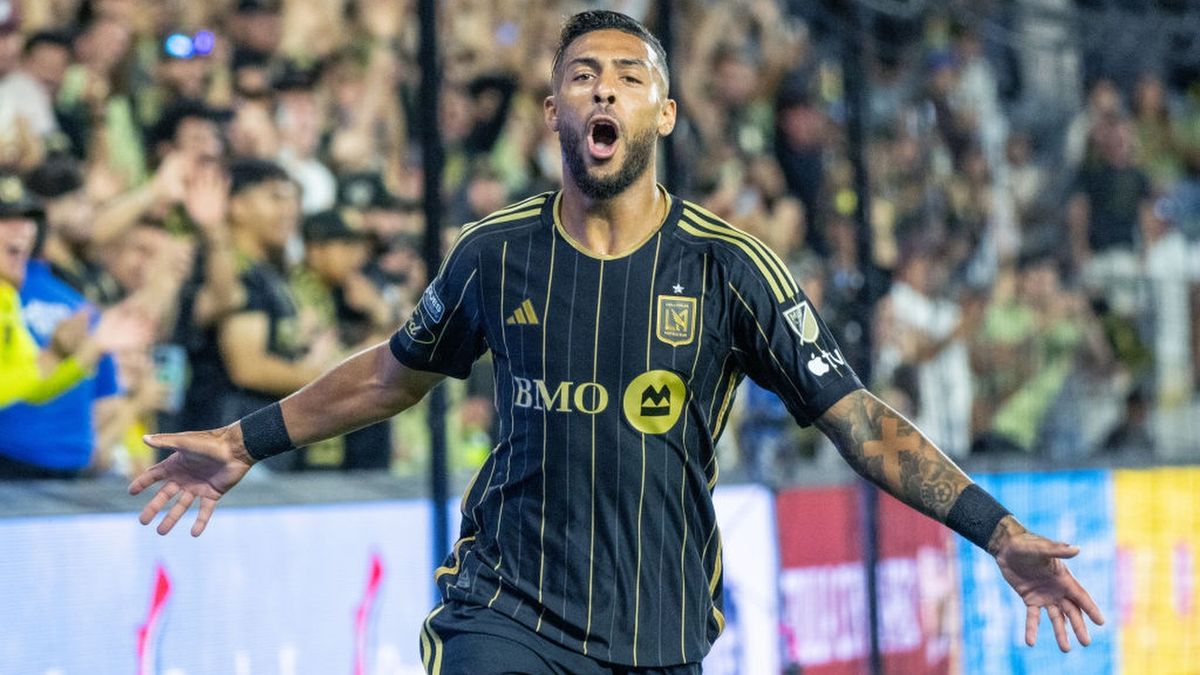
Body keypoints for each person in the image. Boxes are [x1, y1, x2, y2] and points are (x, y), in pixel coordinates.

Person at [131, 11, 1104, 673]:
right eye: (582, 77)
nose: (604, 92)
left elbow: (860, 424)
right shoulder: (495, 254)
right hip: (501, 612)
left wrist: (998, 529)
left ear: (663, 114)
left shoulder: (731, 268)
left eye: (628, 78)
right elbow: (392, 376)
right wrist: (243, 441)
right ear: (555, 111)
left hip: (657, 625)